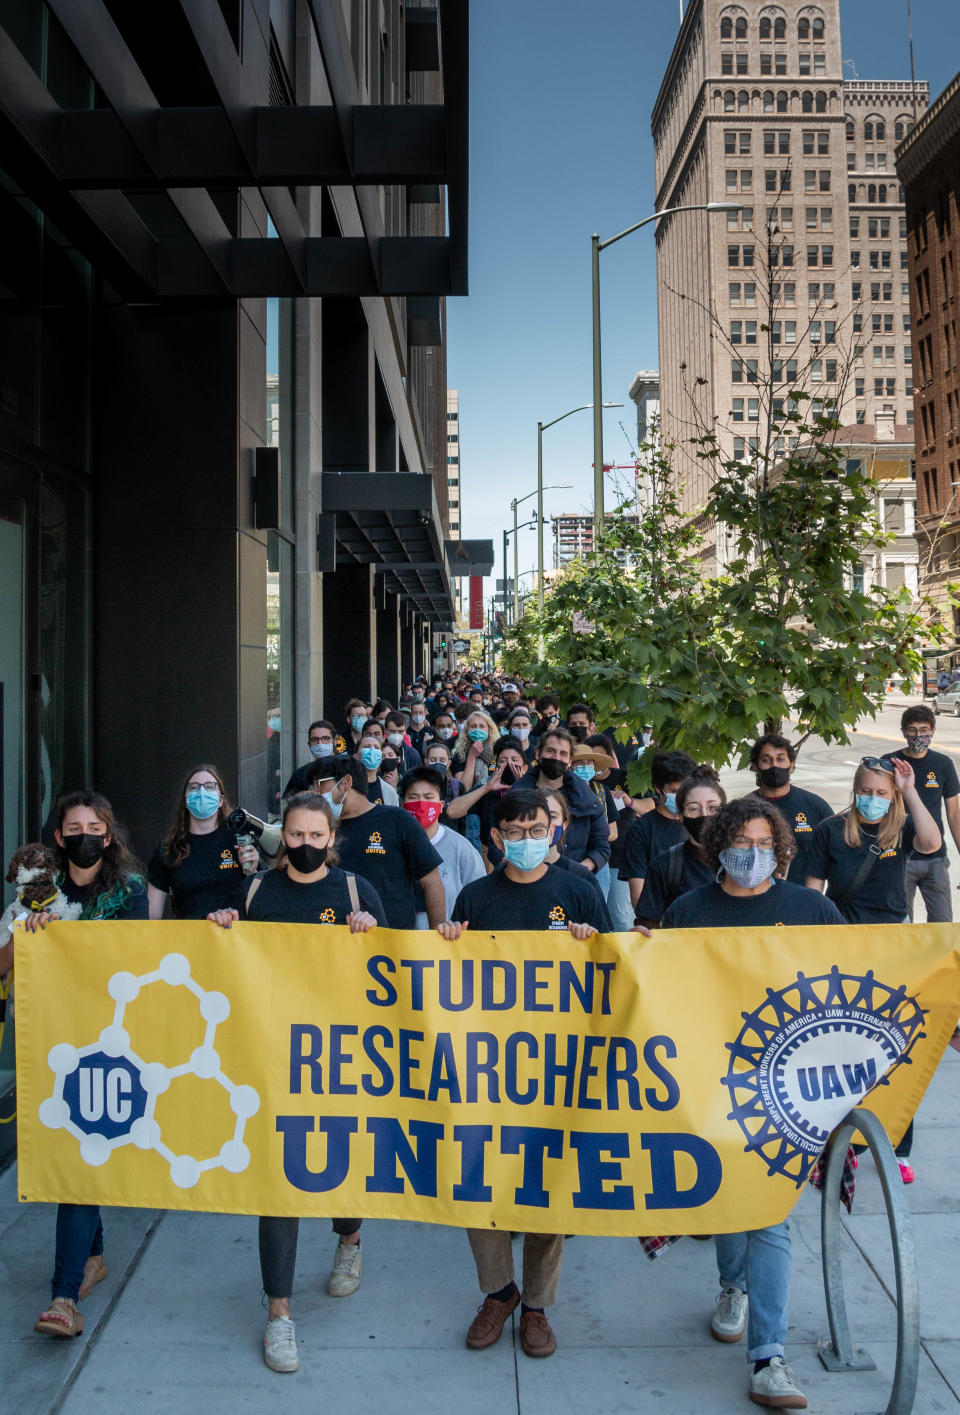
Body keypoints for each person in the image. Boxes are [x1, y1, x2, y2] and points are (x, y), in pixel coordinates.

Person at [660, 796, 843, 1413]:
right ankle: (732, 1285)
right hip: (710, 1085)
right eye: (742, 844)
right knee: (729, 1203)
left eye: (765, 844)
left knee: (767, 1214)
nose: (753, 855)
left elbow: (854, 975)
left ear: (782, 850)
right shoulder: (689, 911)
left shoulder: (812, 910)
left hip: (784, 1092)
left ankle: (768, 1356)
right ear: (719, 847)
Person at [208, 793, 386, 1373]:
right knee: (279, 1186)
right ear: (280, 836)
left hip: (341, 1061)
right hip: (273, 1061)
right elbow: (230, 968)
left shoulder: (357, 893)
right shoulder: (257, 891)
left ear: (332, 838)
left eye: (316, 836)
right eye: (295, 835)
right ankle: (279, 1315)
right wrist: (224, 926)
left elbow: (394, 977)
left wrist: (371, 934)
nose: (305, 845)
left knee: (337, 1168)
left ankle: (349, 1240)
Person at [437, 789, 611, 1360]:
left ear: (553, 831)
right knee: (478, 1182)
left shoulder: (579, 893)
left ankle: (536, 1306)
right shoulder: (476, 896)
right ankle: (498, 1293)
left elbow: (616, 975)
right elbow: (448, 984)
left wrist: (594, 946)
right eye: (514, 831)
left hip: (558, 1072)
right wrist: (448, 944)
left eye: (535, 828)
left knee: (547, 1190)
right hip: (487, 1071)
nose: (526, 840)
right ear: (496, 837)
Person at [28, 791, 148, 1340]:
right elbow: (4, 963)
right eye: (73, 826)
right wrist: (27, 935)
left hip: (111, 1044)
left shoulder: (128, 890)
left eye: (93, 826)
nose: (83, 835)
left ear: (108, 834)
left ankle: (63, 1293)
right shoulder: (38, 893)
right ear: (59, 837)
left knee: (83, 1150)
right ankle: (91, 1258)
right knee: (81, 1149)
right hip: (55, 1040)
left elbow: (135, 960)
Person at [806, 754, 941, 1184]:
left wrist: (909, 791)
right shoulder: (829, 832)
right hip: (843, 946)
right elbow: (812, 894)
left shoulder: (899, 829)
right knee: (838, 1050)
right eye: (865, 792)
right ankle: (834, 1144)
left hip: (891, 949)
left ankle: (897, 1146)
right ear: (854, 791)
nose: (872, 800)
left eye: (881, 793)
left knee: (893, 1049)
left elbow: (933, 843)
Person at [308, 755, 445, 928]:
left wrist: (437, 941)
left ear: (345, 783)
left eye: (320, 785)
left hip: (391, 943)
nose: (316, 793)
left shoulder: (397, 820)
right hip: (336, 941)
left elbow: (432, 881)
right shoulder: (322, 829)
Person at [147, 764, 257, 919]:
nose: (202, 792)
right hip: (189, 939)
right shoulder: (169, 849)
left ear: (220, 800)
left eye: (209, 787)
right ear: (185, 800)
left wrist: (251, 871)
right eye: (194, 787)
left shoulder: (240, 840)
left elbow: (259, 902)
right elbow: (152, 915)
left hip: (234, 937)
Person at [890, 704, 960, 923]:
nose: (918, 735)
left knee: (942, 924)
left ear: (933, 731)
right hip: (900, 858)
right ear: (903, 732)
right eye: (912, 730)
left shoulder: (942, 764)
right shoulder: (891, 763)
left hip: (935, 858)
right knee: (902, 925)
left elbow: (954, 813)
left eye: (924, 730)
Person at [635, 766, 725, 927]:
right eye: (694, 809)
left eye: (713, 808)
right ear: (681, 817)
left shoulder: (744, 861)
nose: (704, 815)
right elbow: (649, 925)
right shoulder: (665, 866)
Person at [401, 767, 485, 925]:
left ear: (440, 805)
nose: (421, 804)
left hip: (447, 943)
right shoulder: (393, 846)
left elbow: (480, 899)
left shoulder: (462, 849)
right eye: (413, 797)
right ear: (403, 804)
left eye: (428, 797)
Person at [749, 734, 832, 884]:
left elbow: (835, 852)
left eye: (780, 759)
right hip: (754, 896)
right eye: (766, 760)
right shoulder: (744, 809)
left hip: (804, 899)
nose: (774, 765)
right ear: (755, 766)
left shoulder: (816, 807)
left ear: (792, 765)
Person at [618, 750, 696, 910]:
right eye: (675, 792)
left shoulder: (700, 824)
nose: (682, 797)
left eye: (686, 791)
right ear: (658, 789)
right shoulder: (641, 831)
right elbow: (638, 897)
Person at [542, 789, 607, 904]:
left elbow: (602, 846)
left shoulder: (583, 880)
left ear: (565, 824)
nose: (546, 823)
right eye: (539, 816)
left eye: (553, 816)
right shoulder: (506, 874)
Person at [282, 719, 342, 797]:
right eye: (315, 739)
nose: (320, 743)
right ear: (309, 744)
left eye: (326, 738)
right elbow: (288, 800)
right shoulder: (300, 774)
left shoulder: (347, 767)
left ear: (334, 741)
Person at [451, 710, 500, 791]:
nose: (477, 730)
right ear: (467, 730)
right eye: (473, 726)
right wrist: (472, 756)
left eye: (482, 726)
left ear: (489, 729)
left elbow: (493, 771)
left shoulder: (496, 751)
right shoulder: (460, 752)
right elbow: (464, 788)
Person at [354, 729, 399, 807]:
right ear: (356, 756)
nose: (372, 750)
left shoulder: (389, 791)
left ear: (381, 757)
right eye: (367, 747)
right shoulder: (346, 786)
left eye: (376, 747)